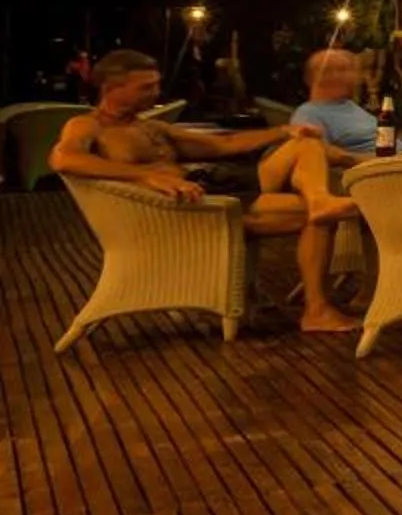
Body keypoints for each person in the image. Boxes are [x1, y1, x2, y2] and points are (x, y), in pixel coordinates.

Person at [48, 48, 361, 334]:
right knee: (316, 216)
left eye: (156, 84)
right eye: (145, 87)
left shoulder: (149, 126)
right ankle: (317, 309)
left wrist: (284, 130)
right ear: (111, 89)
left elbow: (223, 144)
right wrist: (145, 176)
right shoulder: (87, 125)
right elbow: (63, 157)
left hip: (212, 186)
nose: (156, 92)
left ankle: (320, 199)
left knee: (305, 143)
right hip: (192, 210)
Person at [288, 46, 382, 159]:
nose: (355, 76)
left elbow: (374, 137)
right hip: (381, 169)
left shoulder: (348, 106)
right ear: (326, 75)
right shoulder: (309, 114)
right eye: (345, 69)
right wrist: (372, 161)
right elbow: (315, 153)